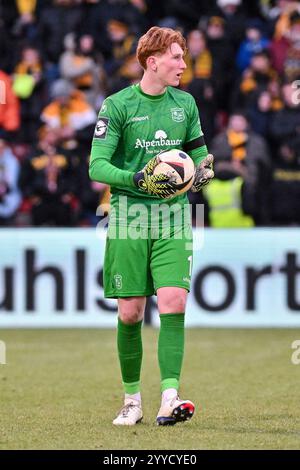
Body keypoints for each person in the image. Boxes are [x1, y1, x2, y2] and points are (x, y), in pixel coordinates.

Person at [89, 26, 214, 426]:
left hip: (175, 215)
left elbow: (201, 156)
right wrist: (138, 179)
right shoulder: (118, 105)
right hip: (128, 215)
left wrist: (204, 172)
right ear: (152, 61)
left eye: (183, 57)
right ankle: (131, 401)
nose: (183, 63)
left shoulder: (186, 103)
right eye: (176, 57)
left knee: (174, 301)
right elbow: (97, 166)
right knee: (130, 313)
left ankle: (170, 396)